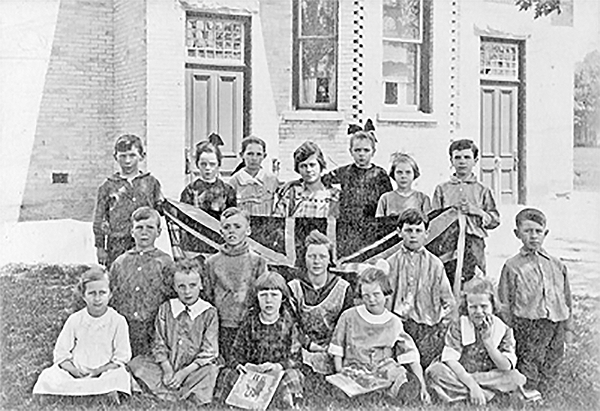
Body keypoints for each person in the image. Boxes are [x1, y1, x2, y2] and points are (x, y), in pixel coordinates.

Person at [497, 208, 572, 395]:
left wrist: (568, 327)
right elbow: (503, 301)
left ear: (545, 233)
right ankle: (529, 394)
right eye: (527, 231)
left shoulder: (557, 264)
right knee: (529, 360)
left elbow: (567, 298)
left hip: (556, 322)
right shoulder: (512, 266)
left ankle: (546, 394)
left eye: (538, 231)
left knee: (553, 359)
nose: (533, 236)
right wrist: (509, 329)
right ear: (517, 234)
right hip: (527, 323)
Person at [328, 267, 430, 404]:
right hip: (356, 368)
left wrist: (423, 387)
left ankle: (397, 391)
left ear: (386, 295)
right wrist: (339, 372)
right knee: (345, 384)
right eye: (366, 296)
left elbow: (411, 356)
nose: (371, 300)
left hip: (383, 369)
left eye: (376, 294)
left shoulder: (394, 322)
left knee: (399, 375)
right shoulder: (349, 317)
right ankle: (358, 393)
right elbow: (337, 347)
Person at [33, 267, 131, 403]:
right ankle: (92, 393)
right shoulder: (75, 319)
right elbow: (61, 353)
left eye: (102, 293)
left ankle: (102, 392)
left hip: (104, 372)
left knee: (119, 376)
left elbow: (122, 357)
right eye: (92, 293)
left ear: (110, 294)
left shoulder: (118, 320)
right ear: (84, 296)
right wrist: (74, 372)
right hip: (76, 372)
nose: (97, 299)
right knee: (48, 375)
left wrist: (98, 371)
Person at [129, 260, 219, 405]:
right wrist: (167, 369)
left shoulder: (209, 312)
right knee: (137, 363)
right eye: (181, 286)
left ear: (201, 285)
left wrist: (183, 373)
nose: (187, 292)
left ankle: (178, 393)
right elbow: (159, 343)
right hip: (168, 365)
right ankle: (173, 392)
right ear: (174, 287)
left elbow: (209, 351)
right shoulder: (166, 308)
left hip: (192, 369)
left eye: (192, 285)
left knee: (210, 372)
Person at [426, 278, 526, 405]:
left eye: (484, 306)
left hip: (489, 376)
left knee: (515, 378)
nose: (478, 312)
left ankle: (461, 394)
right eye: (473, 307)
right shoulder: (458, 325)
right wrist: (473, 386)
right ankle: (490, 395)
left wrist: (488, 343)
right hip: (461, 373)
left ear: (493, 306)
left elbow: (505, 366)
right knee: (435, 371)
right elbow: (450, 360)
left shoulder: (503, 328)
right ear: (466, 307)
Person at [216, 271, 304, 409]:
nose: (269, 300)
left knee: (293, 376)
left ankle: (288, 405)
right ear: (257, 298)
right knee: (227, 374)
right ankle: (234, 405)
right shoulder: (249, 323)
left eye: (274, 295)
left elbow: (295, 357)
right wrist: (241, 366)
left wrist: (278, 366)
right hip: (252, 373)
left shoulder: (289, 324)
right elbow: (236, 353)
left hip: (277, 374)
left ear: (283, 298)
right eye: (263, 295)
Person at [385, 209, 455, 368]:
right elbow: (384, 299)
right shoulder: (390, 263)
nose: (413, 235)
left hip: (427, 330)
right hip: (399, 328)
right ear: (399, 232)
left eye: (418, 230)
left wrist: (441, 328)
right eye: (408, 230)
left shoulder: (435, 265)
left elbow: (449, 302)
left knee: (426, 372)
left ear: (426, 233)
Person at [431, 139, 500, 284]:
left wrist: (476, 211)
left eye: (467, 157)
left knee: (475, 281)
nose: (462, 161)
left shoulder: (483, 190)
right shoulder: (442, 189)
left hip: (474, 242)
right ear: (451, 160)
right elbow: (434, 219)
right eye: (457, 157)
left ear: (475, 160)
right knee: (446, 279)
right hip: (448, 243)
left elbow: (494, 220)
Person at [204, 207, 267, 363]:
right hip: (222, 327)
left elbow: (264, 295)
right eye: (227, 227)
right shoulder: (211, 263)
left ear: (248, 230)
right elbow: (208, 296)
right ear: (221, 232)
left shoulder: (258, 261)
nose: (232, 231)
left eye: (237, 226)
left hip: (250, 326)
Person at [110, 207, 175, 357]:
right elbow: (112, 294)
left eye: (150, 228)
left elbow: (171, 297)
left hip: (153, 328)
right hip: (125, 326)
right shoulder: (120, 262)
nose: (144, 232)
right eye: (139, 228)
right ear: (132, 231)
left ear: (159, 232)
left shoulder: (165, 262)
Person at [288, 230, 353, 375]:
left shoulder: (343, 288)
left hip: (333, 351)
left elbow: (347, 326)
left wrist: (332, 348)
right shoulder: (294, 287)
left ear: (329, 259)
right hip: (302, 350)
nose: (317, 261)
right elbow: (290, 325)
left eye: (322, 256)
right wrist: (310, 345)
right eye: (312, 256)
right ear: (304, 258)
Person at [93, 134, 163, 267]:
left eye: (132, 155)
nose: (127, 161)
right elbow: (99, 218)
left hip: (145, 240)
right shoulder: (108, 186)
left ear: (142, 156)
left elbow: (160, 210)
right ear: (115, 157)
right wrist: (100, 247)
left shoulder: (151, 183)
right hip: (117, 242)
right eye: (123, 156)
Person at [323, 130, 392, 219]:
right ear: (351, 151)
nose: (361, 154)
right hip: (347, 221)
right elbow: (321, 181)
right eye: (357, 150)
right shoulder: (343, 172)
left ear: (373, 152)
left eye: (366, 150)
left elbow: (388, 200)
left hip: (372, 221)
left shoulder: (380, 174)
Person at [273, 141, 340, 218]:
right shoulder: (291, 194)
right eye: (303, 166)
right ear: (297, 169)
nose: (308, 170)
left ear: (320, 165)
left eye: (312, 165)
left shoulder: (334, 195)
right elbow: (277, 221)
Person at [180, 140, 236, 220]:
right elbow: (183, 218)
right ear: (197, 164)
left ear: (218, 164)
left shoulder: (227, 191)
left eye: (212, 164)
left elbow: (232, 218)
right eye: (203, 164)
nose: (208, 168)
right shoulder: (190, 190)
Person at [228, 136, 280, 216]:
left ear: (264, 156)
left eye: (259, 154)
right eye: (250, 154)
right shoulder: (234, 182)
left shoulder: (272, 180)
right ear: (242, 155)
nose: (254, 158)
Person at [376, 153, 431, 217]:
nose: (403, 176)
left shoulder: (422, 199)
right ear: (393, 174)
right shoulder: (385, 199)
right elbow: (379, 223)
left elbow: (428, 222)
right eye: (399, 172)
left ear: (414, 174)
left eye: (408, 172)